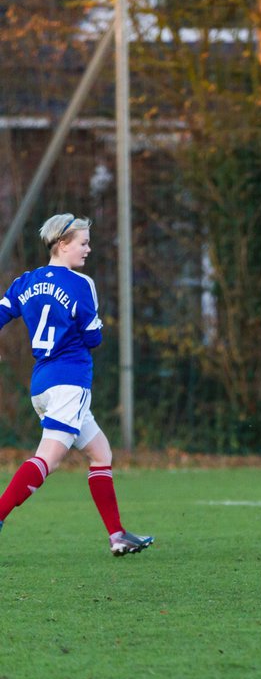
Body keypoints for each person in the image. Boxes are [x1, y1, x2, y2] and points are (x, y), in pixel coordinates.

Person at [0, 214, 153, 556]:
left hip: (42, 385)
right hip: (70, 382)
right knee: (48, 460)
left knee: (101, 453)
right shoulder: (81, 284)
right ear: (62, 244)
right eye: (83, 243)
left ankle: (117, 535)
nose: (88, 249)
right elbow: (94, 337)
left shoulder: (25, 282)